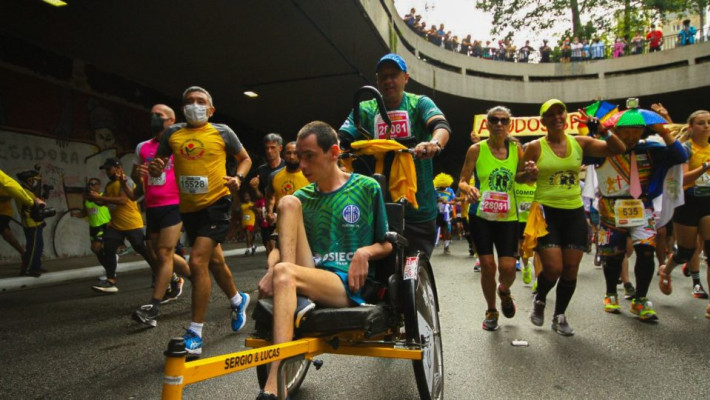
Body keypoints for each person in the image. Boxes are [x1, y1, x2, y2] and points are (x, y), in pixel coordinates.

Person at [256, 121, 392, 400]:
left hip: (346, 284)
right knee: (287, 204)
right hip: (310, 272)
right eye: (298, 156)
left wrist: (365, 252)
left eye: (309, 156)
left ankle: (273, 386)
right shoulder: (302, 196)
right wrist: (272, 268)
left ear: (332, 152)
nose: (300, 163)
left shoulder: (366, 188)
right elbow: (279, 244)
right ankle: (296, 294)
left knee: (285, 273)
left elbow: (388, 243)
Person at [149, 86, 252, 358]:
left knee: (197, 262)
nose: (195, 105)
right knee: (215, 261)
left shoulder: (222, 132)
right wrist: (157, 167)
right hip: (189, 209)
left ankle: (195, 332)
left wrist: (238, 178)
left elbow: (245, 159)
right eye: (189, 102)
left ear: (211, 109)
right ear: (183, 108)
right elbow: (160, 162)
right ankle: (238, 300)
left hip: (216, 204)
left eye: (201, 101)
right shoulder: (173, 134)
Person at [517, 99, 626, 336]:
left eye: (561, 113)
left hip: (574, 212)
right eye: (551, 114)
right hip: (547, 212)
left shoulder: (580, 142)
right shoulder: (535, 147)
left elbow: (618, 149)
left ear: (566, 117)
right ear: (543, 121)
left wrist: (603, 130)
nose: (557, 117)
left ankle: (560, 315)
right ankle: (540, 297)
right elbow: (519, 178)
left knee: (571, 269)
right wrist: (530, 173)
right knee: (554, 268)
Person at [339, 53, 451, 259]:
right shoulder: (365, 108)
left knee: (414, 268)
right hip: (376, 206)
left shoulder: (419, 104)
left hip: (418, 207)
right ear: (377, 81)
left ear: (405, 78)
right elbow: (342, 138)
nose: (388, 80)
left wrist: (434, 143)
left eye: (394, 75)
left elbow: (441, 126)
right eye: (383, 76)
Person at [587, 106, 686, 320]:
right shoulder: (603, 149)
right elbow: (582, 151)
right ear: (617, 131)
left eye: (637, 131)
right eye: (626, 131)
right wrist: (593, 131)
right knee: (613, 257)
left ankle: (640, 299)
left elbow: (680, 156)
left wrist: (664, 132)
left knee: (646, 252)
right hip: (610, 210)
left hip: (642, 208)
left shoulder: (653, 149)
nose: (631, 136)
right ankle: (611, 292)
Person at [459, 106, 524, 331]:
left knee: (508, 267)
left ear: (509, 124)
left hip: (508, 218)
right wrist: (468, 190)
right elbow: (462, 180)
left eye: (503, 120)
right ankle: (491, 309)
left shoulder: (517, 149)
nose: (499, 124)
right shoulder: (476, 149)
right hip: (482, 216)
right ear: (486, 124)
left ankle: (504, 291)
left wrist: (532, 173)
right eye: (494, 120)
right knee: (488, 265)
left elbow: (523, 177)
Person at [131, 104, 193, 327]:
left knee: (165, 252)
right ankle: (193, 275)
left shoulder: (180, 145)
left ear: (171, 120)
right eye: (152, 115)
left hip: (174, 204)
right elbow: (136, 180)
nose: (154, 118)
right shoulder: (143, 148)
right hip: (152, 206)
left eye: (159, 115)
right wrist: (137, 175)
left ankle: (153, 308)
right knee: (157, 254)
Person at [658, 110, 710, 319]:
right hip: (687, 203)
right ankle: (666, 270)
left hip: (708, 202)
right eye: (701, 123)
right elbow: (681, 179)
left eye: (708, 122)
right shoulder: (686, 149)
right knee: (686, 252)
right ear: (691, 127)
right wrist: (704, 168)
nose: (706, 126)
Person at [87, 158, 153, 292]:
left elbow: (123, 200)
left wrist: (100, 198)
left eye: (108, 169)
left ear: (118, 168)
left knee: (141, 249)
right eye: (105, 169)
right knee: (109, 248)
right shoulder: (109, 185)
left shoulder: (126, 180)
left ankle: (159, 274)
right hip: (116, 225)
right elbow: (104, 202)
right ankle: (111, 280)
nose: (106, 172)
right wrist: (94, 198)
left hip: (131, 223)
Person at [249, 133, 285, 255]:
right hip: (268, 213)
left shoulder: (288, 167)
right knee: (268, 243)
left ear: (280, 148)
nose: (269, 151)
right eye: (267, 148)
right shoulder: (261, 170)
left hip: (285, 209)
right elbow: (261, 196)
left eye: (273, 147)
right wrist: (254, 188)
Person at [265, 141, 309, 225]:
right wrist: (269, 212)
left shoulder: (310, 175)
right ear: (283, 155)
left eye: (295, 153)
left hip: (305, 227)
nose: (292, 157)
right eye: (288, 153)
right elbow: (269, 196)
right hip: (282, 227)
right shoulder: (274, 176)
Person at [15, 169, 48, 277]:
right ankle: (27, 269)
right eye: (30, 180)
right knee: (32, 247)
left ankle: (36, 266)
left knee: (38, 246)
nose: (32, 182)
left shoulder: (27, 190)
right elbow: (38, 204)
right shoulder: (25, 192)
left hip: (35, 222)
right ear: (25, 181)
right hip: (30, 223)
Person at [0, 187, 24, 264]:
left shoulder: (3, 184)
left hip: (4, 213)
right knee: (6, 236)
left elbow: (8, 196)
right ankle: (24, 253)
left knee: (6, 234)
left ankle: (24, 253)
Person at [240, 191, 257, 255]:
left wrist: (253, 208)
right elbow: (241, 215)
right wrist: (241, 223)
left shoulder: (252, 204)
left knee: (248, 234)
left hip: (251, 221)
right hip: (244, 222)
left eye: (247, 196)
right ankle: (253, 247)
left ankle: (248, 248)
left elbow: (256, 212)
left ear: (250, 197)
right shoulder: (242, 205)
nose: (246, 198)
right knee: (249, 235)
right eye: (245, 197)